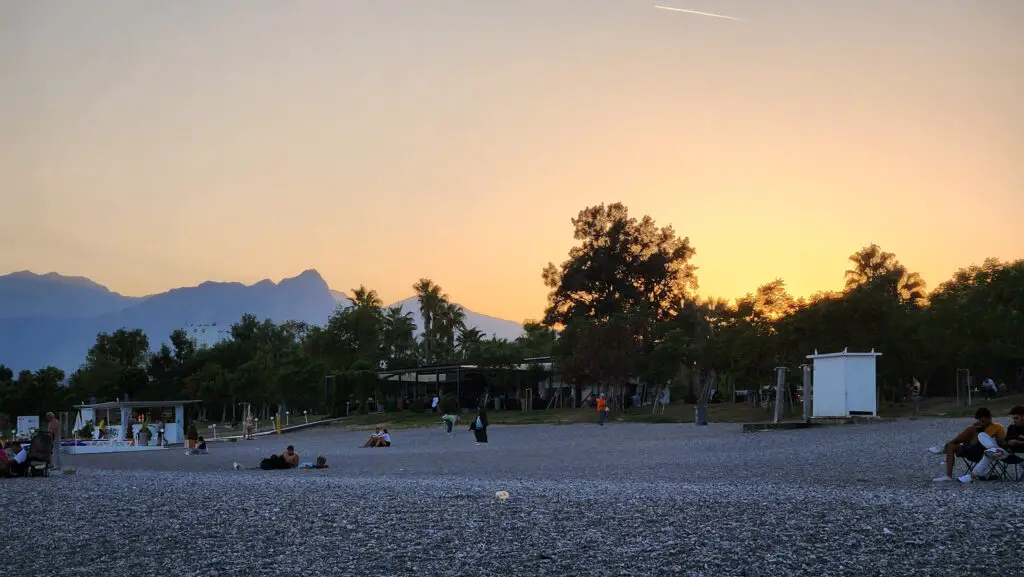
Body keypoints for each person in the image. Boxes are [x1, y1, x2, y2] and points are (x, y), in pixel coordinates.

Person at [928, 407, 1006, 482]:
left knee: (971, 430)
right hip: (971, 448)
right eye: (980, 421)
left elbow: (1001, 443)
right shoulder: (978, 426)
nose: (982, 423)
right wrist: (975, 427)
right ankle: (948, 476)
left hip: (982, 451)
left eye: (983, 421)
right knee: (952, 446)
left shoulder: (997, 427)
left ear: (989, 417)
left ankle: (945, 446)